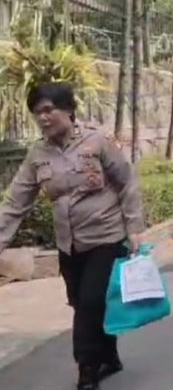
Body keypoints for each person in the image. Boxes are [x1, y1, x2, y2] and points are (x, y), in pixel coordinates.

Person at [0, 83, 145, 390]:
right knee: (83, 304)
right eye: (37, 112)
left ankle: (87, 369)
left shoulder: (98, 141)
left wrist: (134, 228)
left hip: (105, 237)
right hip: (69, 244)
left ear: (68, 109)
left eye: (48, 110)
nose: (43, 118)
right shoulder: (38, 154)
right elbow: (16, 202)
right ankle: (109, 356)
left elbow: (127, 182)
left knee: (91, 302)